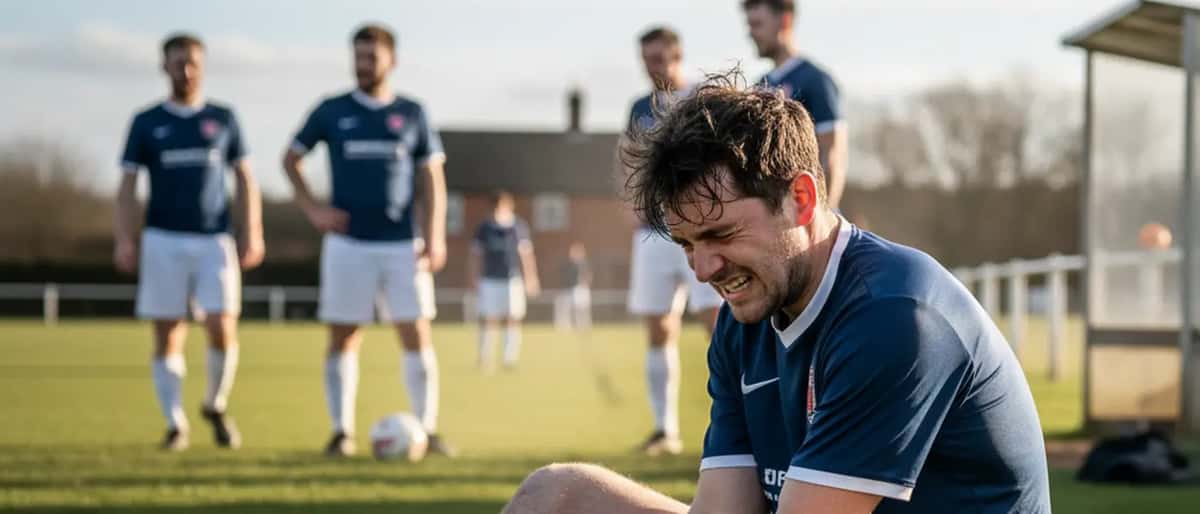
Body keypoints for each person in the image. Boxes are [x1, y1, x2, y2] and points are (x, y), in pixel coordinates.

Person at [503, 75, 1050, 514]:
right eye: (687, 243)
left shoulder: (895, 316)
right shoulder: (744, 323)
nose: (703, 268)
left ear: (802, 199)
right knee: (557, 494)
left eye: (721, 234)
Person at [282, 23, 453, 457]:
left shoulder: (412, 112)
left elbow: (432, 177)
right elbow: (291, 159)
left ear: (391, 60)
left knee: (416, 333)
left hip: (402, 243)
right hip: (348, 243)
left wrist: (434, 236)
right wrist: (313, 209)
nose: (363, 65)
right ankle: (341, 432)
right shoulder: (332, 110)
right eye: (357, 56)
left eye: (371, 57)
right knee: (343, 336)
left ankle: (427, 431)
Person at [115, 33, 264, 451]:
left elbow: (246, 178)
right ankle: (175, 423)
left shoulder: (224, 118)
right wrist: (125, 237)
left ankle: (214, 404)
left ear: (203, 66)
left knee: (221, 326)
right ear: (164, 66)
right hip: (163, 239)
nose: (186, 70)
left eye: (193, 62)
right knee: (168, 334)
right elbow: (127, 184)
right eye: (178, 62)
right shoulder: (147, 122)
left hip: (215, 240)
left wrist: (253, 230)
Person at [622, 26, 723, 457]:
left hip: (701, 227)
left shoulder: (701, 98)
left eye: (661, 58)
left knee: (718, 327)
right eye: (647, 59)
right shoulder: (639, 107)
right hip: (653, 234)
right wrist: (630, 200)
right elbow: (628, 153)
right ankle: (665, 430)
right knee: (658, 329)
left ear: (678, 56)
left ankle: (733, 423)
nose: (654, 67)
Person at [743, 0, 848, 210]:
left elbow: (833, 152)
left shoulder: (816, 80)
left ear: (785, 21)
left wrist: (824, 211)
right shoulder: (758, 85)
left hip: (804, 211)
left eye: (757, 24)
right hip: (769, 214)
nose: (751, 33)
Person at [467, 191, 540, 371]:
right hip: (489, 280)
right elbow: (475, 255)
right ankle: (484, 357)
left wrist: (531, 278)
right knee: (488, 318)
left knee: (513, 318)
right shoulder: (484, 228)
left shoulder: (518, 227)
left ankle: (509, 359)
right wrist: (473, 277)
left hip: (512, 280)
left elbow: (526, 255)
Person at [560, 242, 593, 332]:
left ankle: (585, 325)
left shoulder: (584, 263)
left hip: (582, 288)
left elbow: (588, 275)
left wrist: (585, 283)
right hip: (574, 289)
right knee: (575, 308)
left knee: (584, 308)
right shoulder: (570, 264)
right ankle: (576, 325)